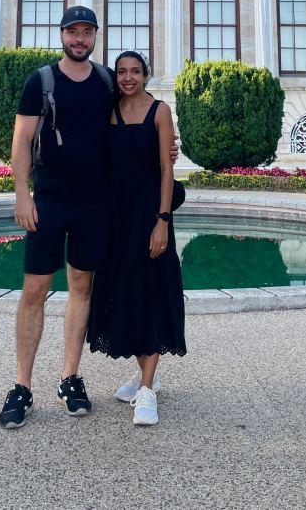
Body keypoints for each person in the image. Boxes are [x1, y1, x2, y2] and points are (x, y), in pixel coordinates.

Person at [0, 8, 176, 430]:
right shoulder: (40, 81)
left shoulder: (104, 82)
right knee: (34, 290)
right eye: (73, 32)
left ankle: (69, 377)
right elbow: (21, 141)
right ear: (61, 35)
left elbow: (137, 121)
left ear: (95, 36)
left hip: (95, 204)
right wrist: (22, 194)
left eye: (87, 32)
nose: (79, 38)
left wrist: (167, 148)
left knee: (82, 287)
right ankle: (22, 385)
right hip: (50, 201)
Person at [87, 50, 186, 427]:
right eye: (123, 72)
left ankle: (147, 391)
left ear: (147, 75)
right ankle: (149, 374)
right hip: (116, 217)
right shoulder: (108, 110)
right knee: (122, 293)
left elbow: (166, 169)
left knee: (151, 292)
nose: (129, 77)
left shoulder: (159, 111)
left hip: (149, 213)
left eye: (136, 71)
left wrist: (162, 220)